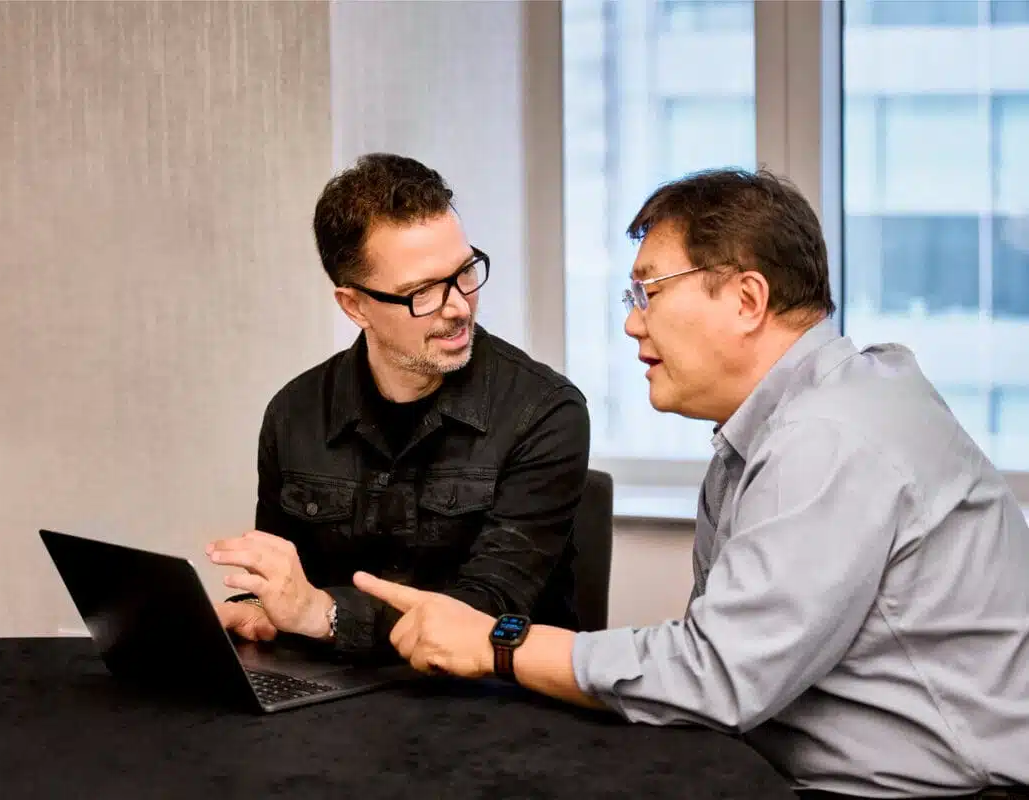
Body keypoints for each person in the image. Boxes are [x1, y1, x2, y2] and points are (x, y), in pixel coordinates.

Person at [353, 168, 1029, 798]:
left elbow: (716, 677)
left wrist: (498, 643)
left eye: (649, 292)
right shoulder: (790, 420)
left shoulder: (827, 437)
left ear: (747, 299)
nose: (631, 322)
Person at [206, 153, 590, 656]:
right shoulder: (293, 413)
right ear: (354, 306)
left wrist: (326, 614)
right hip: (333, 690)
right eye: (422, 293)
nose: (458, 307)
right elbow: (288, 579)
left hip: (490, 694)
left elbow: (487, 609)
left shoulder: (545, 413)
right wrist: (259, 607)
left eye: (465, 272)